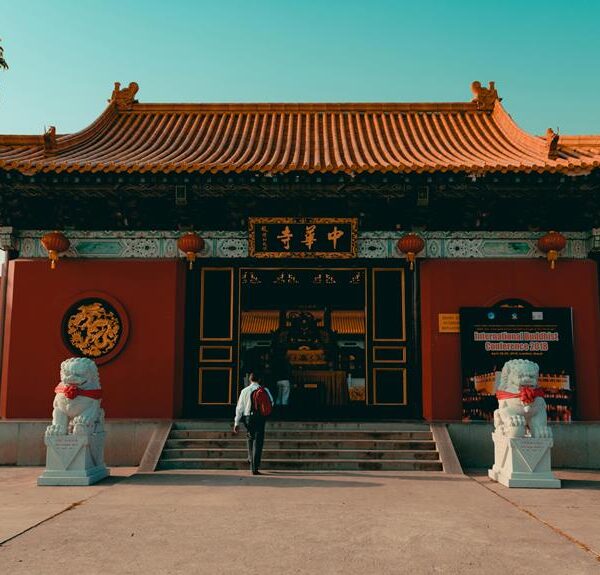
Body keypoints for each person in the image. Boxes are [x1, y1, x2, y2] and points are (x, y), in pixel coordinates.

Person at [233, 371, 273, 475]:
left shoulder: (244, 391)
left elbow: (239, 407)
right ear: (259, 380)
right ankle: (255, 466)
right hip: (260, 417)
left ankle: (250, 458)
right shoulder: (264, 390)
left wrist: (236, 422)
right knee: (258, 441)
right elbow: (271, 402)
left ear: (250, 379)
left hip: (248, 418)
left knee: (250, 438)